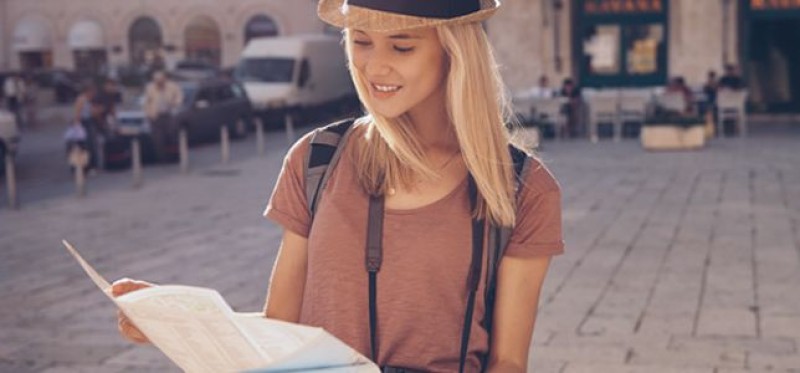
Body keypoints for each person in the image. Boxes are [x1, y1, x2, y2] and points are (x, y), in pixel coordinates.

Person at [113, 1, 564, 372]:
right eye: (361, 42)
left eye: (402, 46)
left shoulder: (524, 188)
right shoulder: (315, 159)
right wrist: (176, 323)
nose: (375, 66)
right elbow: (281, 327)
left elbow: (507, 361)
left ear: (455, 52)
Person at [143, 70, 182, 162]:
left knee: (172, 135)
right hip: (155, 116)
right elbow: (146, 102)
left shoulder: (172, 86)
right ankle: (162, 158)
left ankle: (175, 156)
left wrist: (175, 103)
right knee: (158, 139)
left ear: (164, 79)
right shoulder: (150, 88)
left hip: (168, 115)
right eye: (156, 80)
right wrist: (148, 114)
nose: (159, 82)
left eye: (160, 80)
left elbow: (179, 97)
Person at [72, 83, 101, 171]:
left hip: (90, 122)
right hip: (83, 123)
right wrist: (77, 127)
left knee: (92, 145)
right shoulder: (81, 99)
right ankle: (83, 166)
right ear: (88, 91)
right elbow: (77, 114)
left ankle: (92, 165)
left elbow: (93, 112)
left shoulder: (90, 100)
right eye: (93, 92)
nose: (94, 94)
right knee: (84, 146)